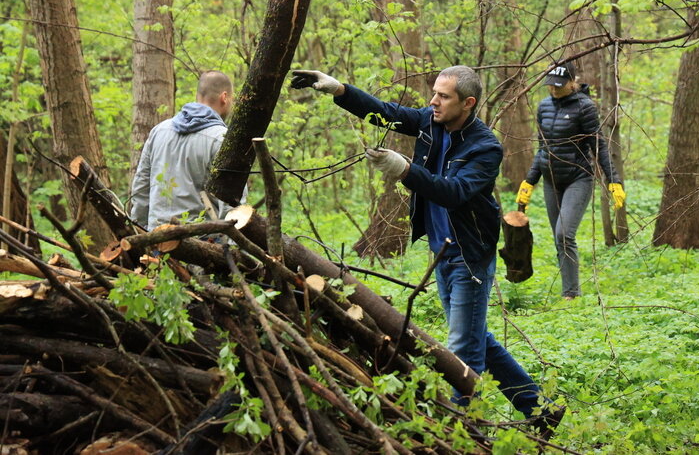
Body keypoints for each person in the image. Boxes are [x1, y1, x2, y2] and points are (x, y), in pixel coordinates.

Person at [291, 66, 564, 437]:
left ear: (467, 103)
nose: (433, 101)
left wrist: (404, 169)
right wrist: (341, 90)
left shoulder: (485, 147)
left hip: (469, 255)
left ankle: (464, 430)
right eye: (434, 93)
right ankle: (540, 407)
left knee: (462, 348)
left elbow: (452, 192)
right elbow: (386, 112)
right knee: (476, 336)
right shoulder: (430, 121)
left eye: (444, 96)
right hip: (442, 250)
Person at [516, 61, 626, 300]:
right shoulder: (543, 107)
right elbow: (543, 148)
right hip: (550, 180)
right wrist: (529, 181)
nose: (554, 90)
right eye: (550, 86)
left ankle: (571, 294)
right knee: (559, 239)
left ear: (572, 82)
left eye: (559, 85)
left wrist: (613, 180)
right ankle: (568, 288)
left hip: (578, 178)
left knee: (564, 233)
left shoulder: (584, 107)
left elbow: (598, 145)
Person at [131, 70, 235, 231]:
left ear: (198, 95)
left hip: (158, 236)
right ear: (224, 97)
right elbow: (231, 203)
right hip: (205, 243)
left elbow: (141, 187)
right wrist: (235, 248)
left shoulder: (159, 131)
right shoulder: (222, 139)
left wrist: (139, 231)